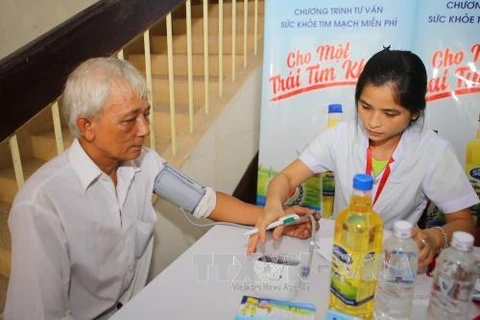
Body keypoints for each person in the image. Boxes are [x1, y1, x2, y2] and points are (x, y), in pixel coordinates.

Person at [5, 57, 317, 320]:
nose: (145, 130)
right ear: (87, 126)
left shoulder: (144, 163)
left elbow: (206, 202)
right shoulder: (41, 205)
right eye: (130, 120)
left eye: (146, 114)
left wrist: (274, 219)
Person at [247, 48, 478, 270]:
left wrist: (436, 238)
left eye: (390, 113)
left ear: (415, 112)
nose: (373, 122)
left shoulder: (432, 152)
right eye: (365, 106)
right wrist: (274, 205)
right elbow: (286, 178)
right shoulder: (342, 137)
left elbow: (466, 224)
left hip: (391, 264)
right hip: (338, 255)